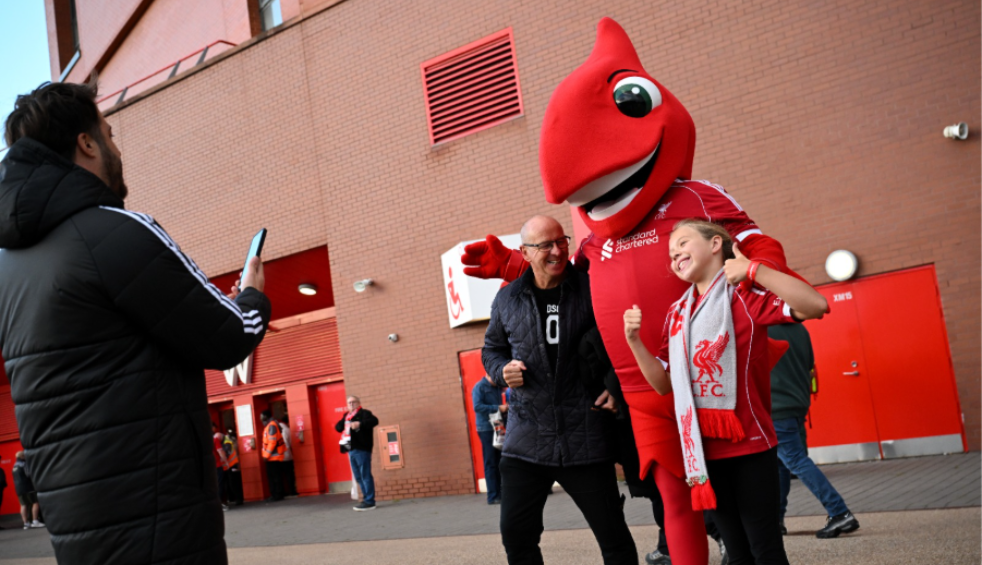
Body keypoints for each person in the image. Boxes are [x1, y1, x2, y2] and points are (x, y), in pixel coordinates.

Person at [0, 81, 272, 564]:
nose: (115, 145)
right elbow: (231, 336)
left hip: (78, 532)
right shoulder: (114, 230)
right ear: (86, 143)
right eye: (109, 132)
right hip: (160, 521)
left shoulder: (10, 267)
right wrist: (252, 293)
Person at [624, 219, 828, 565]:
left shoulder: (746, 296)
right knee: (736, 551)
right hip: (702, 452)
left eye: (683, 244)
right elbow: (663, 384)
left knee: (765, 549)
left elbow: (815, 305)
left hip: (750, 445)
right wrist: (633, 342)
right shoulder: (677, 314)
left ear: (716, 243)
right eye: (671, 254)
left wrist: (754, 270)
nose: (676, 256)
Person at [483, 215, 637, 565]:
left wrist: (616, 386)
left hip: (584, 435)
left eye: (561, 241)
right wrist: (501, 370)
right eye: (545, 245)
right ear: (524, 252)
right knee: (517, 539)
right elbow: (492, 349)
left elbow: (622, 342)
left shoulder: (591, 288)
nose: (557, 251)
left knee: (614, 540)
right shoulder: (508, 299)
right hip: (526, 440)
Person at [769, 323, 860, 539]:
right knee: (781, 464)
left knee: (795, 460)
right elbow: (809, 364)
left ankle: (839, 512)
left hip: (775, 407)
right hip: (797, 404)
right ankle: (776, 521)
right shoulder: (800, 329)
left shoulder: (761, 328)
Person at [335, 396, 379, 511]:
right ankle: (366, 499)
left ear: (358, 403)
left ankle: (370, 501)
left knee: (365, 475)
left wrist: (360, 424)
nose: (351, 404)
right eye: (349, 402)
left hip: (361, 448)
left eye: (353, 402)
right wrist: (345, 421)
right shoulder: (346, 416)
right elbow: (338, 428)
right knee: (358, 477)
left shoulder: (364, 413)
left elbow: (374, 421)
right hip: (350, 449)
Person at [472, 374, 507, 504]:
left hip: (497, 425)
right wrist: (498, 407)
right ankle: (493, 496)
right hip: (486, 428)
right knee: (491, 462)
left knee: (500, 461)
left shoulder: (497, 387)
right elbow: (477, 407)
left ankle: (501, 493)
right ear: (487, 374)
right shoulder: (479, 387)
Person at [260, 410, 287, 502]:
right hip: (273, 456)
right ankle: (276, 494)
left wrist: (266, 456)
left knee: (275, 477)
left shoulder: (271, 425)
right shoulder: (270, 425)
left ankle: (277, 495)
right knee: (274, 476)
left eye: (261, 416)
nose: (261, 418)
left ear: (265, 416)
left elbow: (272, 442)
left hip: (273, 457)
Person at [12, 452, 43, 530]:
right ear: (22, 456)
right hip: (28, 487)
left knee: (23, 505)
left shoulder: (14, 465)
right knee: (35, 503)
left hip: (19, 488)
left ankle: (26, 524)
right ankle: (35, 521)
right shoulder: (24, 464)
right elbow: (29, 474)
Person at [223, 429, 244, 506]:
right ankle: (234, 498)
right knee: (232, 483)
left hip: (232, 464)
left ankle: (238, 499)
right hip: (231, 465)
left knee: (234, 483)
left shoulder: (227, 442)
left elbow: (227, 453)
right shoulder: (229, 441)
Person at [279, 414, 298, 497]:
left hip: (277, 456)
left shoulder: (276, 428)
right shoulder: (287, 430)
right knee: (289, 474)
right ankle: (292, 490)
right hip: (287, 455)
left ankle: (282, 491)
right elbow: (290, 443)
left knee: (280, 476)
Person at [212, 423, 230, 511]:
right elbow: (220, 451)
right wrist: (226, 462)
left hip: (208, 467)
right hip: (217, 465)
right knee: (220, 484)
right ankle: (219, 504)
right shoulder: (215, 439)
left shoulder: (202, 439)